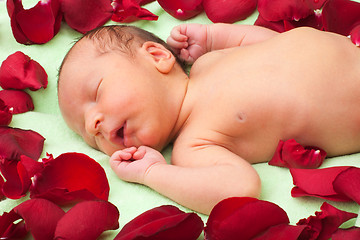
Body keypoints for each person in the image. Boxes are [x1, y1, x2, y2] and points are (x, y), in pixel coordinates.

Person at [58, 23, 360, 214]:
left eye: (96, 93)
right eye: (90, 138)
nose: (92, 124)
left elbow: (271, 42)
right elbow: (240, 186)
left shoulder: (208, 62)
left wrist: (215, 35)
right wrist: (152, 173)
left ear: (158, 56)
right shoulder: (193, 145)